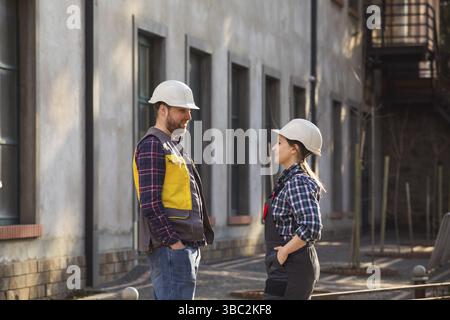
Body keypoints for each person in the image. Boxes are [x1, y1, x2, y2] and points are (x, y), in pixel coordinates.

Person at [133, 80, 214, 300]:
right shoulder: (152, 145)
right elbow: (150, 203)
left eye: (189, 110)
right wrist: (174, 243)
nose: (188, 116)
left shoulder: (174, 145)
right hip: (171, 249)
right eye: (182, 110)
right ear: (162, 109)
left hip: (183, 248)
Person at [263, 119, 325, 300]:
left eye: (280, 143)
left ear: (294, 148)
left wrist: (283, 252)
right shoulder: (287, 180)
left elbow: (312, 226)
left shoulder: (297, 182)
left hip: (292, 269)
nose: (274, 147)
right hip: (283, 269)